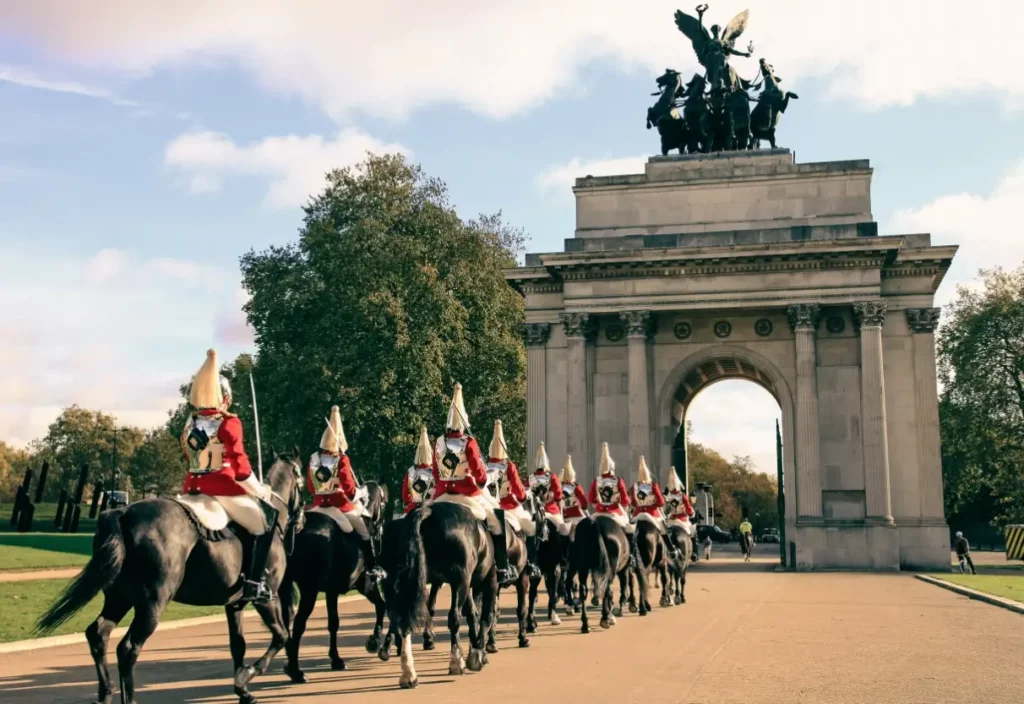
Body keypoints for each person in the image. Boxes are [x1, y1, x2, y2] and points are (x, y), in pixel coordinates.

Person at [181, 349, 276, 603]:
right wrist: (259, 490)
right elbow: (241, 468)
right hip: (223, 489)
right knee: (263, 523)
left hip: (193, 488)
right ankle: (255, 583)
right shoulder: (228, 423)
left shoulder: (190, 424)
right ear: (224, 398)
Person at [431, 383, 516, 584]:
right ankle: (502, 566)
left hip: (442, 495)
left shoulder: (439, 442)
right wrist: (485, 478)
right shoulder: (469, 442)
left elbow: (435, 473)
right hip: (467, 495)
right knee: (496, 518)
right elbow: (481, 476)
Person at [307, 405, 385, 589]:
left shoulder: (313, 458)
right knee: (365, 532)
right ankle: (373, 568)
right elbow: (351, 492)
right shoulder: (342, 460)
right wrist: (364, 492)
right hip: (340, 507)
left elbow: (311, 487)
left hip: (317, 506)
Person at [483, 420, 538, 576]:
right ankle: (531, 564)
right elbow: (520, 494)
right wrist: (525, 495)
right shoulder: (509, 466)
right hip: (511, 509)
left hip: (488, 506)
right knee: (532, 528)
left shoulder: (485, 465)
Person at [588, 443, 635, 561]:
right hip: (615, 512)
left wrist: (598, 503)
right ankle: (631, 555)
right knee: (630, 528)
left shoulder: (596, 481)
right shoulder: (618, 480)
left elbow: (591, 499)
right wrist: (625, 501)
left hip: (599, 512)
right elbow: (625, 500)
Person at [630, 456, 677, 558]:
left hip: (637, 514)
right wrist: (654, 502)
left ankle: (629, 553)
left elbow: (633, 503)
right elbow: (661, 502)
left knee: (629, 531)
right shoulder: (653, 485)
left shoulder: (634, 486)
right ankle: (671, 549)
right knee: (663, 529)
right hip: (652, 514)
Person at [529, 442, 569, 538]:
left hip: (534, 511)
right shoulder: (552, 476)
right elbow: (558, 495)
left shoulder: (530, 477)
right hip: (551, 510)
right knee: (565, 531)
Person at [401, 427, 435, 515]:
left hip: (412, 509)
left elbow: (405, 496)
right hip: (432, 508)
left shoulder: (410, 472)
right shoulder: (436, 472)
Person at [560, 454, 589, 540]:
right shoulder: (576, 487)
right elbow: (585, 504)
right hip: (577, 516)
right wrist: (583, 506)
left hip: (563, 517)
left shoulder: (559, 487)